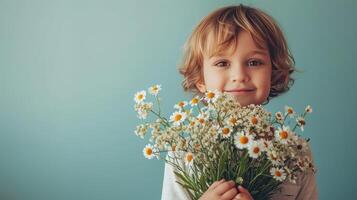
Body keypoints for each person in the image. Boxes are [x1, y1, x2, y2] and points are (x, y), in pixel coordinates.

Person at [161, 4, 318, 200]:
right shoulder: (184, 152)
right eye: (222, 63)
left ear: (274, 72)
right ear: (200, 79)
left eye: (254, 62)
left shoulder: (296, 153)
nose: (239, 75)